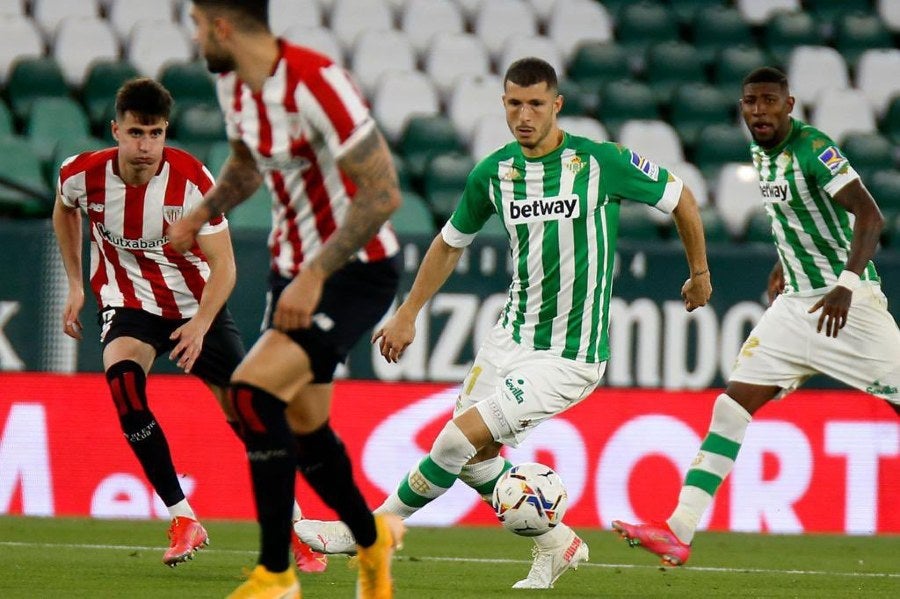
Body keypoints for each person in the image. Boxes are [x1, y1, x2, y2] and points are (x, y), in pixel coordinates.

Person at [294, 56, 713, 590]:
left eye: (536, 103)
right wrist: (407, 312)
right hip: (509, 338)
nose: (525, 114)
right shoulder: (494, 172)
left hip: (569, 354)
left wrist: (699, 272)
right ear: (503, 105)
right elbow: (449, 243)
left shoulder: (599, 162)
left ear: (556, 105)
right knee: (470, 458)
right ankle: (559, 543)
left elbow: (681, 199)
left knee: (452, 442)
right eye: (514, 103)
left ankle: (368, 532)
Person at [612, 66, 900, 567]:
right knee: (731, 406)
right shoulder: (760, 153)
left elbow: (871, 215)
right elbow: (800, 219)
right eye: (751, 102)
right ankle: (678, 531)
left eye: (769, 101)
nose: (759, 111)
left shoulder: (813, 149)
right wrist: (783, 264)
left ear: (789, 105)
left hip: (848, 308)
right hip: (794, 310)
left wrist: (845, 284)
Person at [169, 2, 405, 597]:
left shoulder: (317, 81)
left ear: (222, 26)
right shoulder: (234, 85)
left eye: (197, 24)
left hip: (353, 270)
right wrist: (202, 212)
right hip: (292, 269)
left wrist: (316, 275)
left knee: (250, 395)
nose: (194, 37)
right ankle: (371, 539)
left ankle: (276, 573)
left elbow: (382, 193)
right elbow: (248, 166)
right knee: (304, 425)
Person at [52, 77, 244, 567]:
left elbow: (225, 266)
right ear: (116, 130)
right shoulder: (81, 175)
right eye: (136, 133)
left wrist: (201, 325)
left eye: (156, 133)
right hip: (128, 303)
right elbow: (65, 211)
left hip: (195, 308)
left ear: (166, 132)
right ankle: (183, 517)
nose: (146, 146)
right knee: (123, 386)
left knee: (248, 417)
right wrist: (76, 283)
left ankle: (294, 524)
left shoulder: (194, 181)